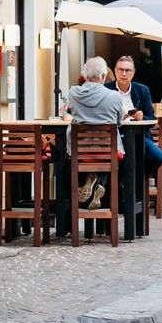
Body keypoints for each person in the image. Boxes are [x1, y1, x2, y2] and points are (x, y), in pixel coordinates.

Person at [62, 57, 126, 218]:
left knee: (64, 162)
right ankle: (98, 184)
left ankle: (89, 184)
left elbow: (68, 112)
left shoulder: (73, 93)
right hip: (107, 153)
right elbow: (119, 122)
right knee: (116, 160)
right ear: (104, 76)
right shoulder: (115, 97)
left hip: (80, 153)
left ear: (84, 75)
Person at [111, 55, 162, 172]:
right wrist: (119, 117)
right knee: (122, 161)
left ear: (133, 72)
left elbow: (151, 119)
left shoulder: (142, 90)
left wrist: (141, 118)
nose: (124, 73)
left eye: (128, 70)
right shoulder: (106, 89)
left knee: (158, 156)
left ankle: (140, 177)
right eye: (121, 70)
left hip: (139, 136)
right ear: (115, 71)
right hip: (114, 137)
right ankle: (123, 184)